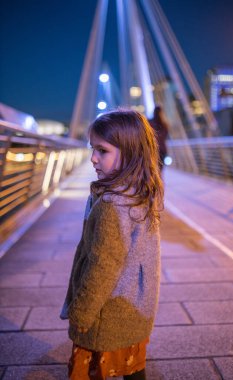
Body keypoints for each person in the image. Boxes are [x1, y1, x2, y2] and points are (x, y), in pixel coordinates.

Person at [60, 109, 163, 380]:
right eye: (92, 149)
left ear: (129, 153)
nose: (93, 158)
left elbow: (102, 266)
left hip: (107, 310)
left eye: (102, 151)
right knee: (133, 369)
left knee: (95, 370)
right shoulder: (139, 193)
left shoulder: (110, 205)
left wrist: (81, 313)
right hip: (136, 308)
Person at [149, 105, 170, 170]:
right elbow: (165, 136)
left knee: (153, 170)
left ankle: (156, 179)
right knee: (160, 170)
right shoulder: (165, 124)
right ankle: (159, 179)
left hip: (152, 149)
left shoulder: (149, 123)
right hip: (162, 149)